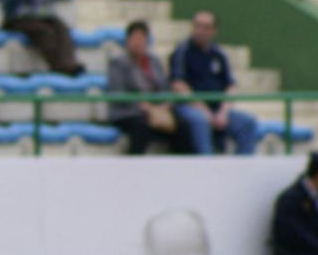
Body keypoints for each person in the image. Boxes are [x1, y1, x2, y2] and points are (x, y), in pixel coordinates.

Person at [169, 9, 256, 156]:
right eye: (197, 26)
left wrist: (223, 112)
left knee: (247, 123)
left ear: (213, 31)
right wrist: (205, 112)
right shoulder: (182, 51)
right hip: (189, 107)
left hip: (217, 108)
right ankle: (207, 165)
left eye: (206, 27)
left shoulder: (218, 54)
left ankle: (243, 168)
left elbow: (230, 85)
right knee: (200, 121)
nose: (200, 31)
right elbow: (179, 85)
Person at [105, 20, 176, 155]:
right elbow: (117, 94)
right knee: (141, 127)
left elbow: (165, 89)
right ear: (127, 40)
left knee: (182, 125)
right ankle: (133, 167)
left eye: (142, 38)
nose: (138, 42)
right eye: (135, 38)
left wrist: (166, 104)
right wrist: (142, 106)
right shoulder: (118, 63)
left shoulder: (154, 62)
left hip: (157, 111)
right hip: (128, 112)